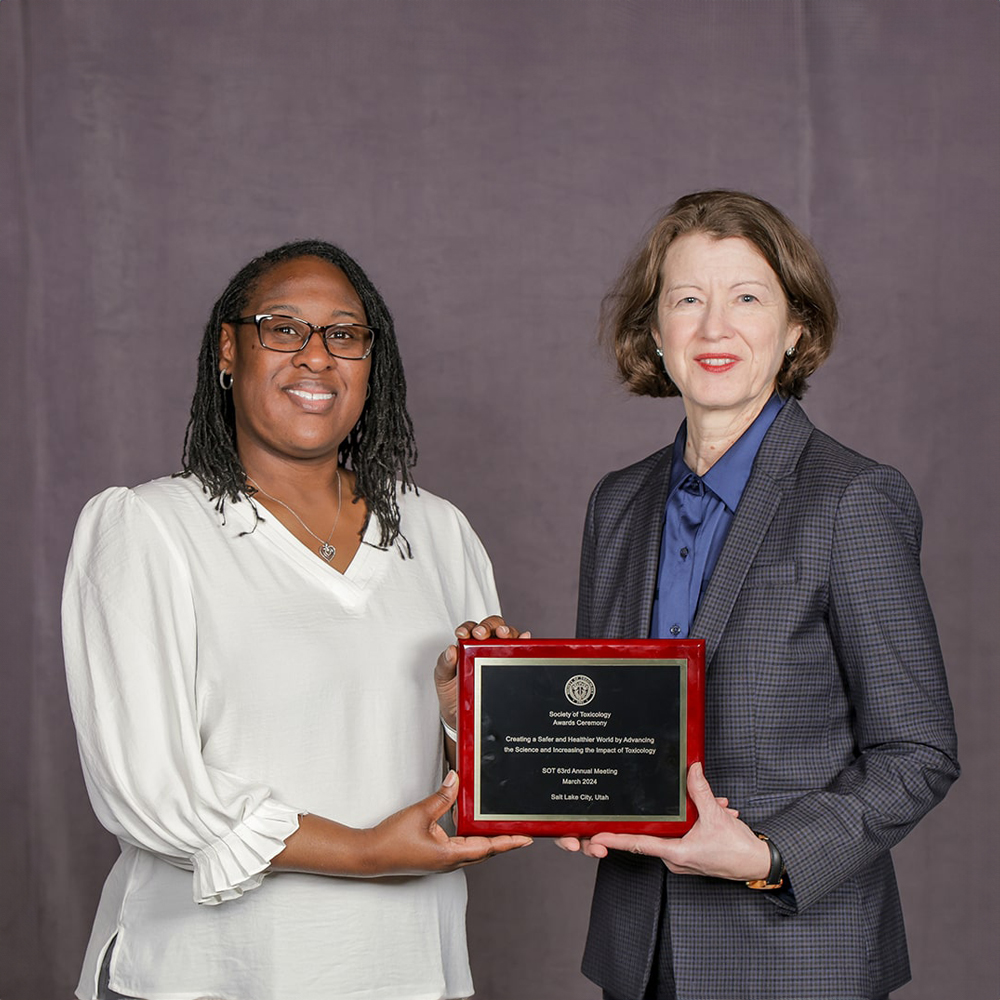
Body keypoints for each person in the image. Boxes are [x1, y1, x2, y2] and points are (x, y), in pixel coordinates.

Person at [62, 240, 531, 1000]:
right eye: (283, 328)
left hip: (404, 969)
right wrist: (360, 850)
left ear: (369, 363)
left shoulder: (439, 531)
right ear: (228, 348)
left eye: (343, 335)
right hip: (207, 973)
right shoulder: (149, 528)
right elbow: (148, 790)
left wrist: (463, 721)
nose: (316, 358)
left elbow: (479, 783)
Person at [558, 191, 958, 1000]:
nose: (714, 329)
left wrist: (770, 853)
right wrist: (568, 787)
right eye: (687, 300)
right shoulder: (617, 502)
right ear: (654, 331)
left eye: (747, 298)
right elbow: (605, 722)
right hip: (638, 955)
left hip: (796, 957)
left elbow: (918, 754)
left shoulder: (853, 499)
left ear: (796, 328)